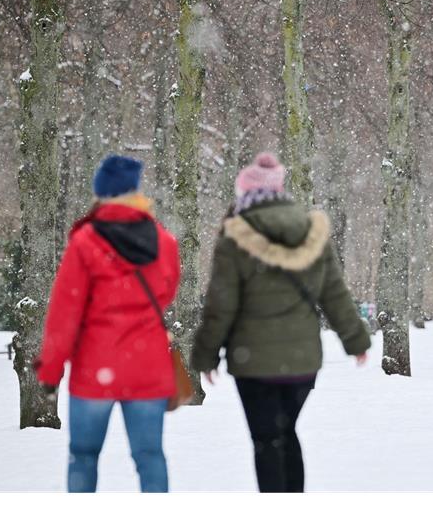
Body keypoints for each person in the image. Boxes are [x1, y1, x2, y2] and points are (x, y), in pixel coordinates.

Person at [191, 152, 371, 493]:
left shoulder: (234, 237)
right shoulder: (310, 231)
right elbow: (334, 293)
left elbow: (221, 305)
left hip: (253, 362)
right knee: (286, 433)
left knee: (267, 440)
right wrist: (356, 340)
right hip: (302, 363)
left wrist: (206, 355)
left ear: (244, 193)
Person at [35, 155, 180, 492]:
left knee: (83, 455)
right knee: (150, 456)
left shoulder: (85, 242)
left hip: (95, 367)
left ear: (100, 193)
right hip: (147, 366)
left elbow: (64, 313)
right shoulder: (164, 241)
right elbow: (167, 293)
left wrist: (51, 370)